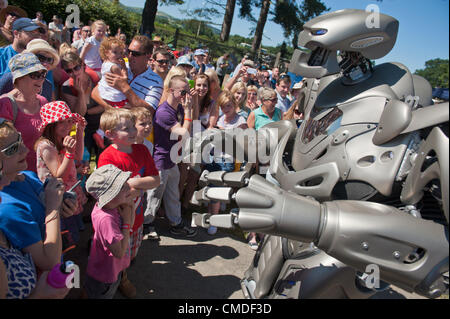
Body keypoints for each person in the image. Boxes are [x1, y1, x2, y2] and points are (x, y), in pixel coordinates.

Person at [0, 119, 71, 299]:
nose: (25, 150)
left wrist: (64, 203)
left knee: (73, 279)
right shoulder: (7, 207)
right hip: (45, 280)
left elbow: (48, 206)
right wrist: (54, 208)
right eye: (12, 150)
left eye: (20, 140)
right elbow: (49, 261)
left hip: (59, 267)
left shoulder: (26, 175)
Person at [97, 108, 160, 298]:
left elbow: (155, 180)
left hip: (137, 218)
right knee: (115, 257)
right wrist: (137, 187)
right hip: (116, 221)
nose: (133, 131)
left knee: (130, 255)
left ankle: (122, 275)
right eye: (127, 128)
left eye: (134, 126)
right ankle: (114, 281)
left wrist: (132, 183)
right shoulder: (107, 158)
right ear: (110, 134)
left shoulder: (141, 150)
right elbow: (111, 194)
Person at [145, 75, 197, 238]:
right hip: (161, 160)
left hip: (172, 160)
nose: (185, 96)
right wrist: (188, 110)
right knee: (153, 196)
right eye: (183, 92)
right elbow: (183, 133)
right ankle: (147, 224)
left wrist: (191, 103)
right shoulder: (163, 112)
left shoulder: (179, 108)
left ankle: (176, 222)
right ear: (170, 91)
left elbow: (192, 122)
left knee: (173, 194)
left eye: (187, 92)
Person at [35, 101, 87, 245]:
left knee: (72, 222)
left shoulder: (61, 139)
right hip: (55, 195)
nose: (67, 125)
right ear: (51, 125)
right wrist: (69, 153)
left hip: (67, 189)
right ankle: (62, 253)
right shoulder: (45, 145)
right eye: (61, 122)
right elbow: (58, 174)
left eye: (69, 121)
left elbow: (78, 157)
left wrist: (80, 133)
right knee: (63, 229)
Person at [84, 164, 134, 299]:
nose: (128, 188)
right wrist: (127, 221)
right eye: (122, 187)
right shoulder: (106, 219)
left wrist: (130, 206)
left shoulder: (114, 206)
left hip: (111, 268)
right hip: (104, 275)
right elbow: (118, 252)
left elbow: (130, 224)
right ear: (110, 196)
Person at [205, 90, 247, 235]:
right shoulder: (220, 119)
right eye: (223, 107)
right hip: (214, 157)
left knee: (216, 191)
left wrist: (224, 133)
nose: (226, 109)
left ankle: (214, 222)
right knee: (212, 189)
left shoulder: (241, 121)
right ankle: (211, 216)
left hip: (227, 159)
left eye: (229, 106)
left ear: (234, 105)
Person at [0, 53, 48, 173]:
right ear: (19, 78)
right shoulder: (5, 104)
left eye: (43, 74)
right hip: (16, 177)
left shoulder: (43, 102)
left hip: (43, 174)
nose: (41, 79)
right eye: (35, 75)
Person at [92, 35, 163, 117]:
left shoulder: (156, 81)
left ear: (148, 55)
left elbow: (149, 112)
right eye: (128, 51)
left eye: (135, 54)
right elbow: (95, 92)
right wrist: (110, 109)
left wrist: (125, 87)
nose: (129, 56)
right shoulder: (119, 66)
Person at [60, 51, 103, 159]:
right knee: (85, 160)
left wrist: (90, 111)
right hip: (84, 127)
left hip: (102, 124)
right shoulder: (66, 87)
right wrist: (80, 93)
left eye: (76, 68)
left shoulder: (97, 78)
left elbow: (106, 105)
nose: (74, 73)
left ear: (83, 65)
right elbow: (80, 113)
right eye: (69, 71)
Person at [129, 107, 158, 240]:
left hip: (140, 184)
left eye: (150, 123)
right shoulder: (127, 144)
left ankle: (136, 234)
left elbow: (148, 167)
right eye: (143, 124)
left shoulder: (148, 145)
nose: (148, 127)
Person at [0, 39, 59, 103]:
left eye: (49, 60)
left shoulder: (47, 85)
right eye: (41, 58)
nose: (46, 63)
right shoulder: (10, 78)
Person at [98, 37, 128, 108]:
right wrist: (124, 67)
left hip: (104, 91)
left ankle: (90, 112)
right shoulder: (114, 67)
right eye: (115, 52)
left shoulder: (105, 62)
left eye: (121, 53)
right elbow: (124, 80)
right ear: (106, 53)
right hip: (114, 96)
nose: (119, 55)